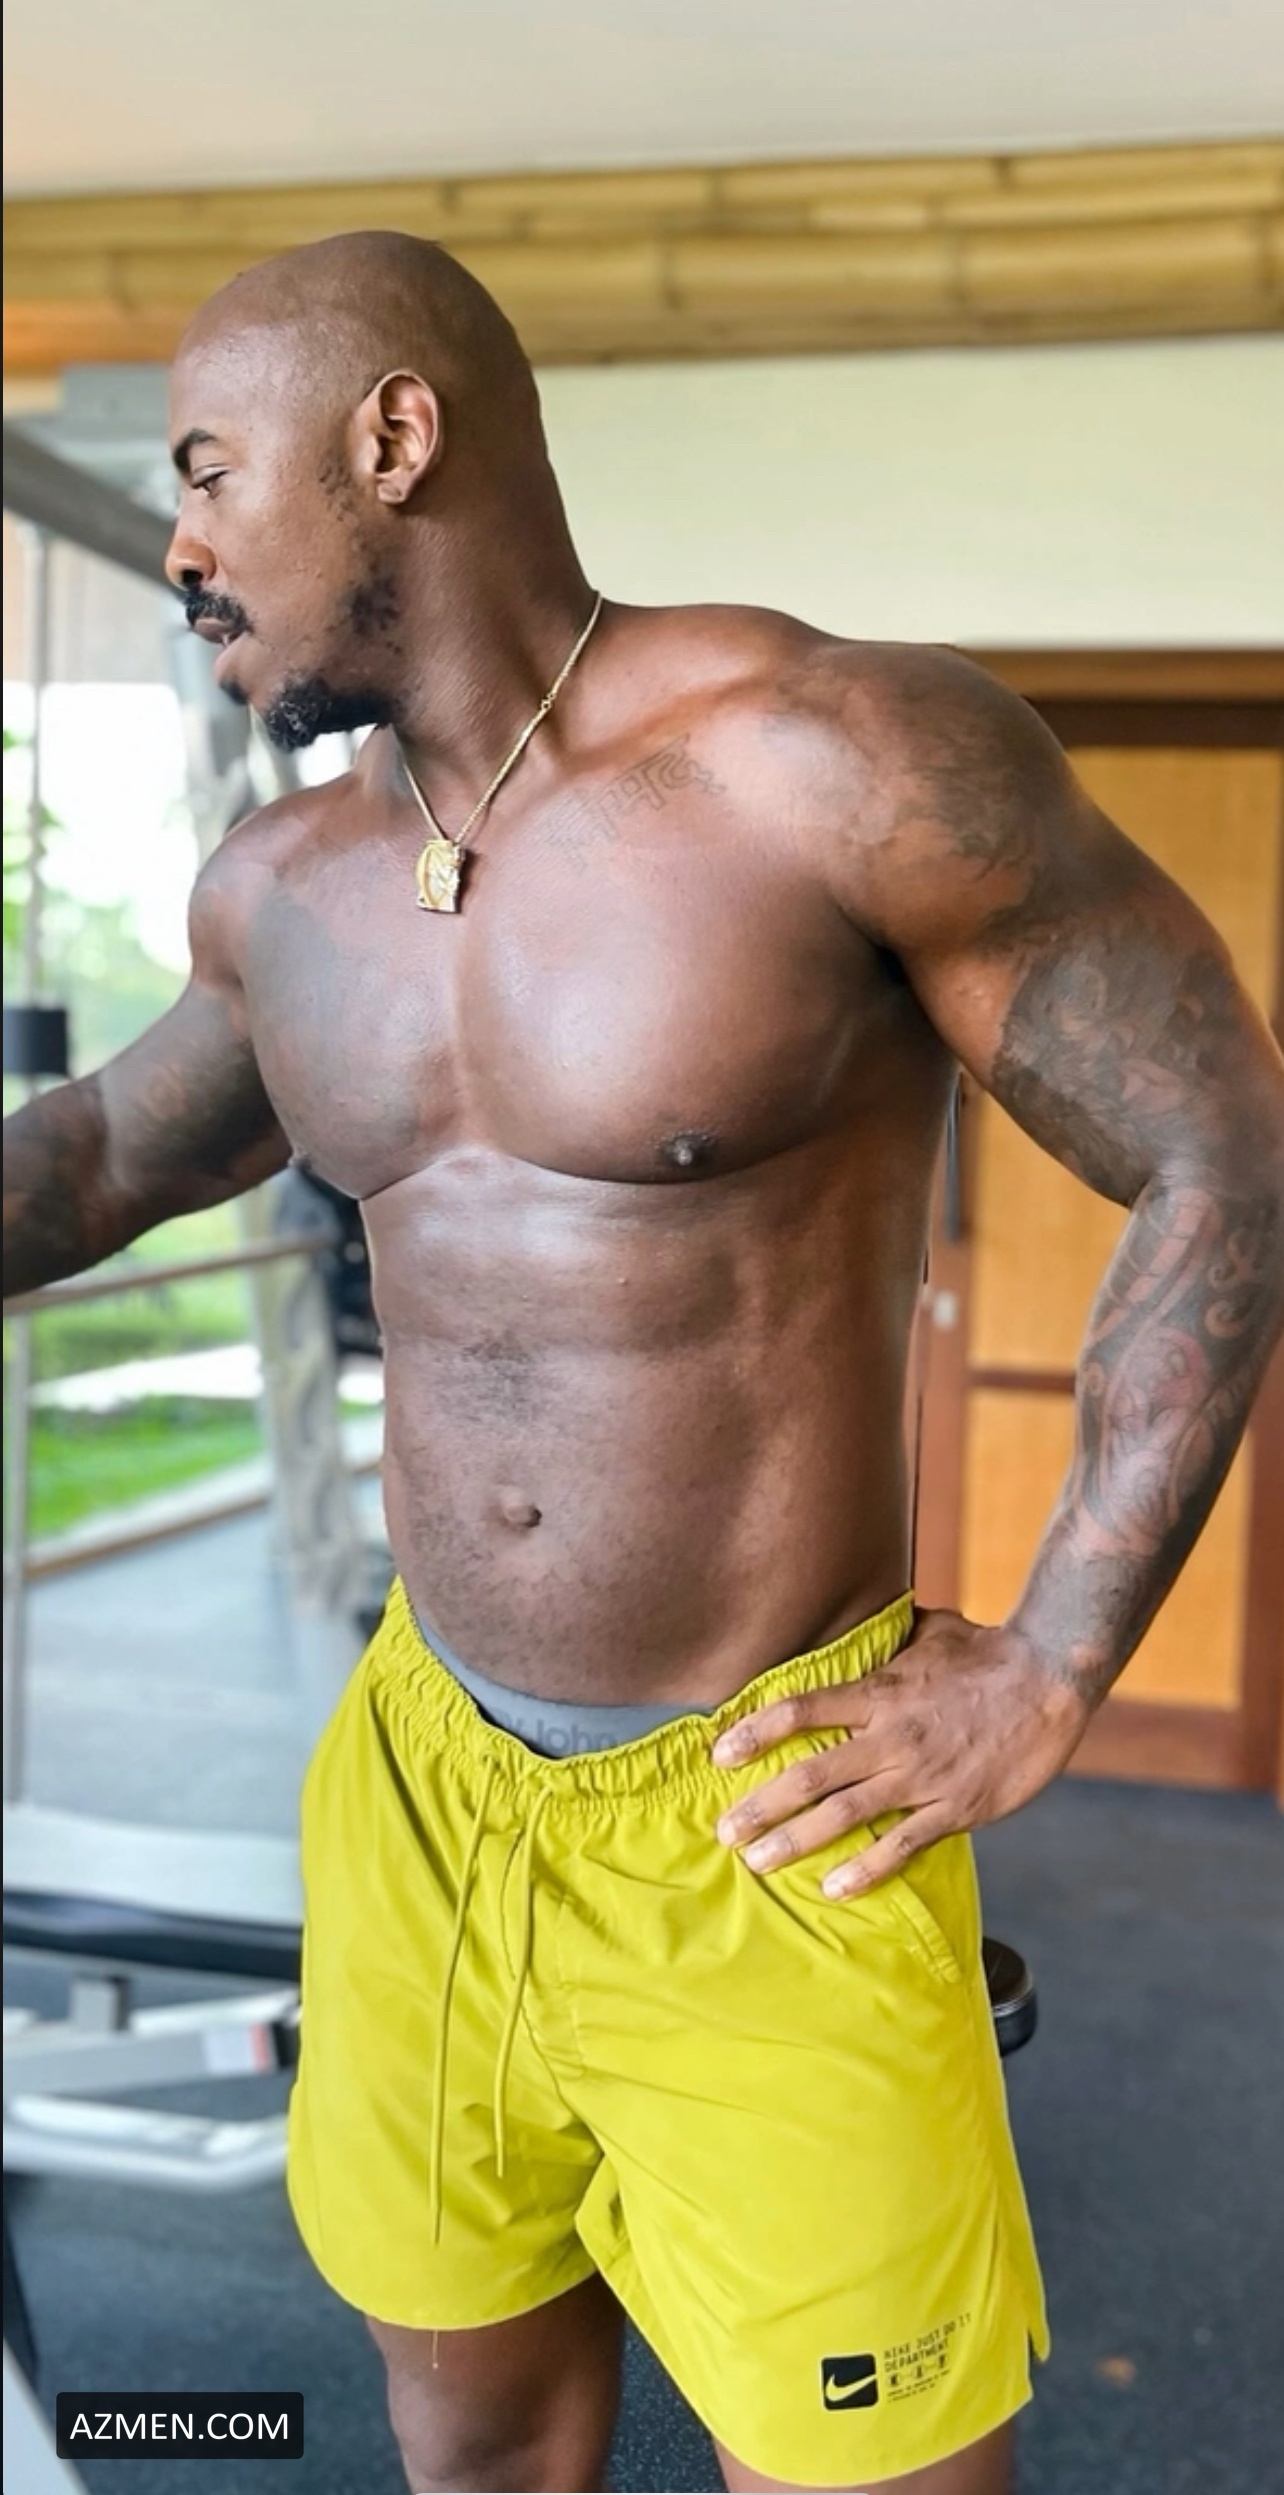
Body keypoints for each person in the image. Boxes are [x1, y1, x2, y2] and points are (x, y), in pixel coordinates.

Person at [5, 232, 1282, 2495]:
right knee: (474, 2434)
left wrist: (1054, 1664)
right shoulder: (283, 887)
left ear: (394, 437)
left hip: (767, 1806)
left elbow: (1222, 1147)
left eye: (204, 472)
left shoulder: (834, 761)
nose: (181, 544)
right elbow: (99, 1153)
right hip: (423, 1786)